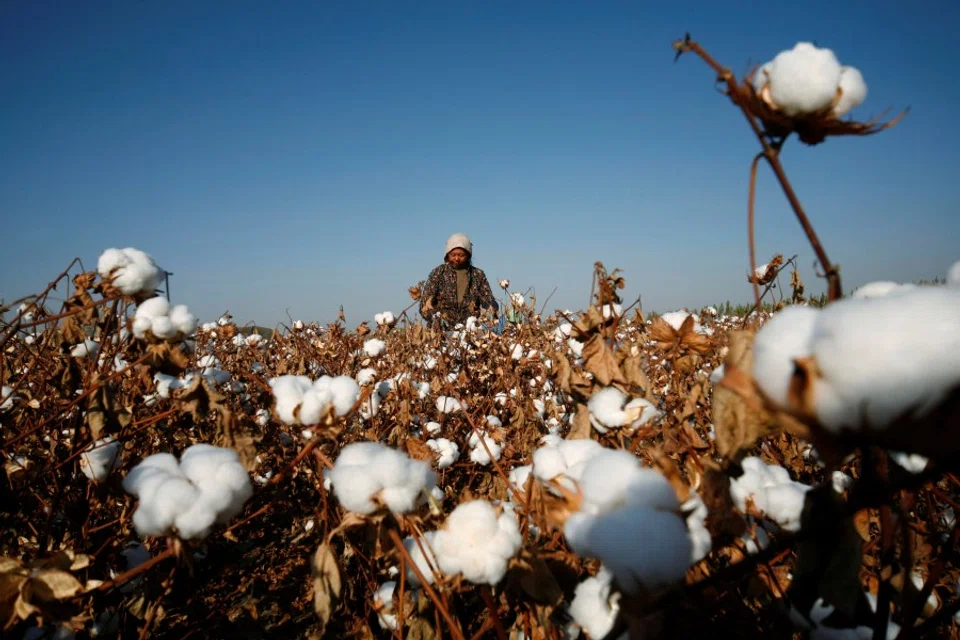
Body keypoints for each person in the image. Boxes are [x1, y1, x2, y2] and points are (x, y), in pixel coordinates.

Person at [420, 233, 499, 329]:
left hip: (469, 330)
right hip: (441, 331)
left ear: (468, 255)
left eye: (461, 255)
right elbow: (425, 303)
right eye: (453, 255)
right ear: (447, 255)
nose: (457, 258)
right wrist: (434, 317)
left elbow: (487, 299)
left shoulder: (477, 275)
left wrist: (492, 308)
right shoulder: (438, 273)